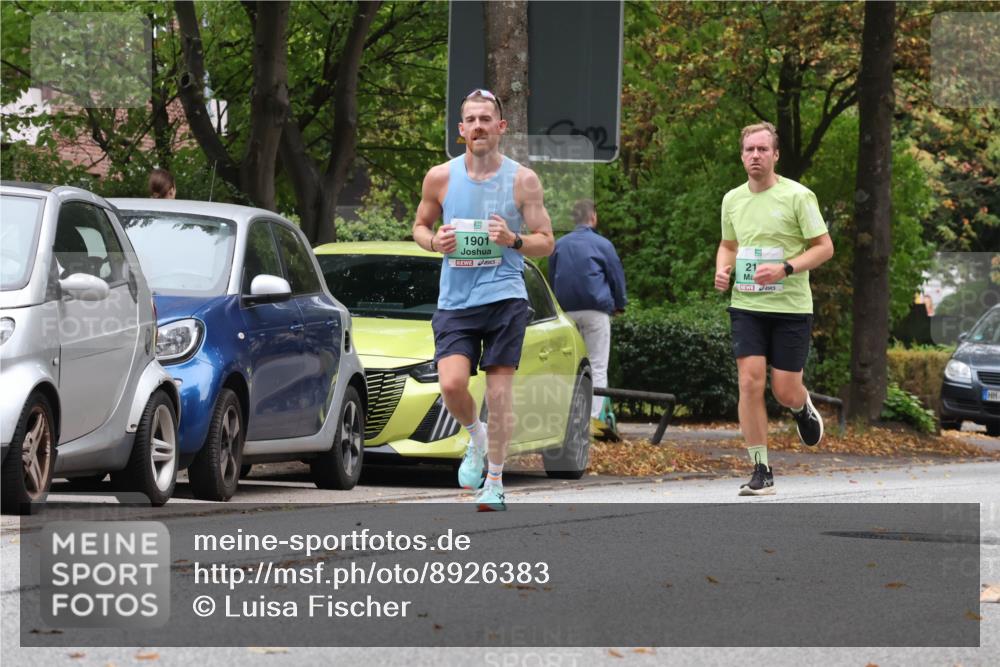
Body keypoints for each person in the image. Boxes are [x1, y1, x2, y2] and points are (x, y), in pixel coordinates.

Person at [412, 88, 554, 511]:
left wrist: (512, 239)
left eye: (485, 119)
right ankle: (475, 436)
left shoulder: (521, 180)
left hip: (505, 297)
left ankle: (494, 481)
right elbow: (419, 227)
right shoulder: (440, 177)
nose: (478, 126)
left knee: (500, 394)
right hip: (456, 299)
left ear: (500, 127)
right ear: (461, 130)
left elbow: (546, 242)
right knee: (452, 384)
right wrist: (435, 241)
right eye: (470, 120)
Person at [714, 121, 834, 496]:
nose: (755, 156)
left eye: (763, 149)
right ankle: (760, 467)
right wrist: (723, 268)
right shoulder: (732, 199)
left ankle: (801, 407)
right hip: (747, 304)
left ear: (775, 155)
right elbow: (728, 244)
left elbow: (824, 247)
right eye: (749, 150)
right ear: (742, 155)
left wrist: (786, 268)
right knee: (749, 381)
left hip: (791, 307)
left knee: (783, 390)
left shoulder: (798, 196)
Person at [548, 198, 627, 427]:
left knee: (569, 366)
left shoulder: (560, 245)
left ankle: (567, 419)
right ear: (593, 217)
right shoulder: (603, 245)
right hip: (596, 310)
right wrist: (619, 304)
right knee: (597, 365)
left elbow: (553, 278)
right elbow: (616, 277)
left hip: (567, 313)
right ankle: (594, 420)